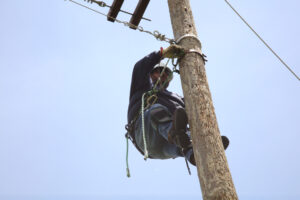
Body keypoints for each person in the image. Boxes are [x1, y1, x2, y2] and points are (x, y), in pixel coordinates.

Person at [126, 45, 229, 166]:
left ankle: (199, 152)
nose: (163, 76)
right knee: (156, 110)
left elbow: (197, 113)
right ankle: (175, 135)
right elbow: (139, 67)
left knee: (187, 141)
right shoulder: (142, 88)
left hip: (165, 147)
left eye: (167, 75)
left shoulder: (178, 99)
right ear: (150, 74)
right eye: (159, 72)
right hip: (145, 135)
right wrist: (162, 54)